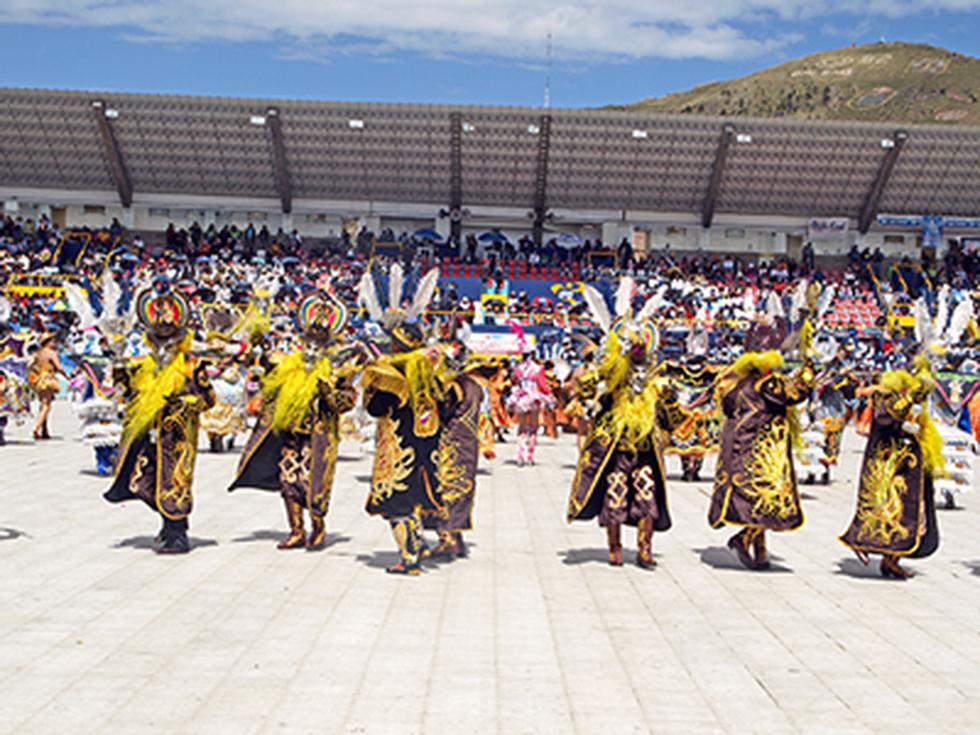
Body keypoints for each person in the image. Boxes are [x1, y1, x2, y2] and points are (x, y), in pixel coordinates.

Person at [567, 278, 682, 568]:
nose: (639, 350)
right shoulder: (613, 375)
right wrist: (601, 368)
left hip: (644, 447)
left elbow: (672, 419)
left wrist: (669, 399)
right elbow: (585, 390)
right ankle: (614, 547)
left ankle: (645, 547)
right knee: (615, 489)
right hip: (615, 446)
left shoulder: (655, 379)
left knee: (646, 488)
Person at [230, 292, 358, 550]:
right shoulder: (289, 363)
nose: (312, 348)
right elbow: (269, 382)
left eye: (318, 344)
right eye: (308, 342)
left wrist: (328, 393)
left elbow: (347, 401)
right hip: (291, 433)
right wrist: (259, 361)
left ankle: (318, 527)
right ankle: (296, 530)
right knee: (288, 480)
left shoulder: (339, 367)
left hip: (319, 435)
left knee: (315, 483)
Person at [103, 286, 215, 554]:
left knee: (174, 482)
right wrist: (120, 374)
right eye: (158, 340)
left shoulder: (191, 365)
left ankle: (177, 534)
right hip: (148, 435)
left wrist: (183, 404)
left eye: (170, 341)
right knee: (143, 480)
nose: (163, 345)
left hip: (177, 437)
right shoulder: (144, 366)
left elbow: (209, 399)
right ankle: (169, 525)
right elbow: (128, 394)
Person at [359, 266, 449, 575]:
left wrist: (371, 386)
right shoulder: (432, 377)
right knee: (414, 501)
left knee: (396, 503)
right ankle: (417, 545)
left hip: (398, 450)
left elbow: (375, 409)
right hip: (427, 451)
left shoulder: (391, 375)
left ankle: (409, 557)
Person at [707, 345, 815, 570]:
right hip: (759, 451)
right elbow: (796, 393)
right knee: (767, 499)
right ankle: (745, 538)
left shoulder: (737, 386)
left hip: (738, 449)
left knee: (753, 501)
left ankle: (761, 552)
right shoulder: (767, 384)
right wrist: (808, 371)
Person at [839, 357, 943, 578]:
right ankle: (884, 556)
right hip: (888, 468)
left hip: (906, 468)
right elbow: (886, 418)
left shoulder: (904, 399)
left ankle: (891, 560)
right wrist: (910, 397)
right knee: (891, 513)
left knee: (909, 514)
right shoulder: (886, 399)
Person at [507, 336, 552, 467]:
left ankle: (520, 455)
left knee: (521, 428)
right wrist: (550, 395)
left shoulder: (518, 368)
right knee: (533, 427)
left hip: (521, 397)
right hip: (534, 397)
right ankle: (530, 456)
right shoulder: (538, 368)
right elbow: (542, 385)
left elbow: (514, 381)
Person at [28, 333, 67, 440]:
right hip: (49, 379)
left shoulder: (37, 353)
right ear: (47, 342)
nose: (54, 342)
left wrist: (37, 371)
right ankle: (37, 428)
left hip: (39, 380)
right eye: (52, 341)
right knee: (47, 406)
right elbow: (59, 367)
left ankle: (45, 430)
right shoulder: (52, 353)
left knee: (43, 404)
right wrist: (67, 376)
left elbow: (29, 365)